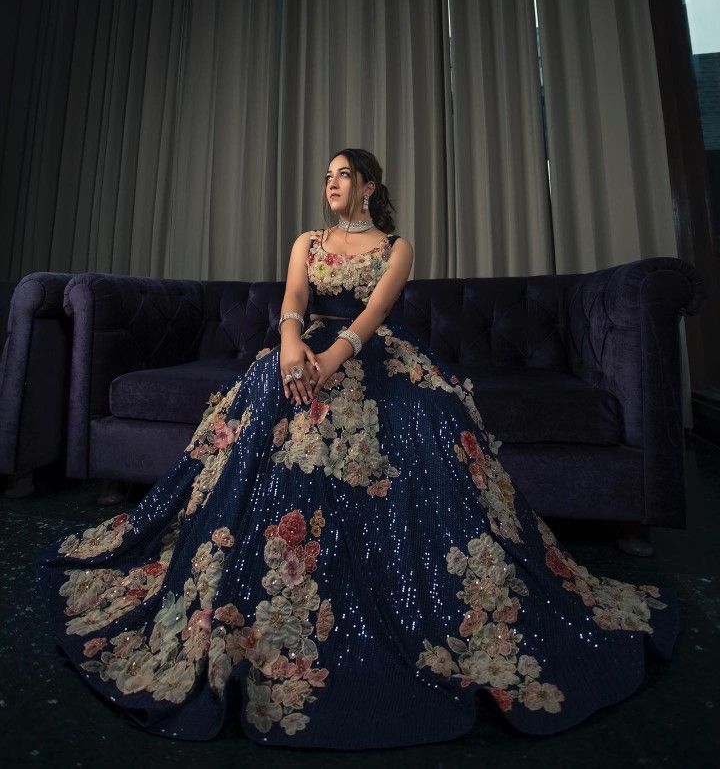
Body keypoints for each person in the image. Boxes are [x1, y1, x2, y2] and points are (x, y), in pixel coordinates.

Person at [36, 148, 678, 749]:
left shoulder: (397, 247)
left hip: (368, 355)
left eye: (344, 175)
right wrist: (291, 347)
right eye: (327, 177)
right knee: (267, 392)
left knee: (420, 417)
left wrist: (334, 358)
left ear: (369, 186)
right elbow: (292, 299)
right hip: (302, 348)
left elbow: (373, 316)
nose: (332, 185)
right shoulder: (307, 243)